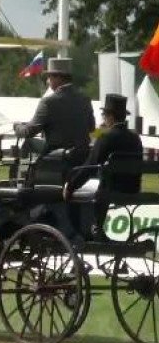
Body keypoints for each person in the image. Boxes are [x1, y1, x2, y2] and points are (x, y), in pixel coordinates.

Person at [63, 94, 143, 242]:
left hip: (110, 191)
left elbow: (89, 167)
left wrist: (71, 185)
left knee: (77, 195)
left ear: (110, 116)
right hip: (132, 189)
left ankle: (88, 229)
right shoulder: (135, 139)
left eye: (104, 115)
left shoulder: (106, 138)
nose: (103, 119)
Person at [14, 57, 95, 166]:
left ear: (58, 77)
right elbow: (91, 127)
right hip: (81, 160)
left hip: (57, 160)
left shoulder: (49, 102)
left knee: (29, 147)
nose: (48, 81)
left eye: (49, 77)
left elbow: (30, 131)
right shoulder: (85, 99)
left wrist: (17, 126)